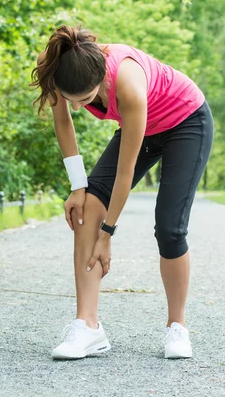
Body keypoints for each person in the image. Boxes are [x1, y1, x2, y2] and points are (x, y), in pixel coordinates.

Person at [30, 25, 213, 360]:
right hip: (143, 125)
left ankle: (177, 327)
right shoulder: (55, 64)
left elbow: (126, 173)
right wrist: (77, 186)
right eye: (72, 100)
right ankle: (88, 327)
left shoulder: (127, 82)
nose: (78, 106)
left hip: (186, 121)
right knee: (87, 206)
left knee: (169, 227)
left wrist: (107, 233)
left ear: (102, 79)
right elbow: (63, 123)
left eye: (85, 100)